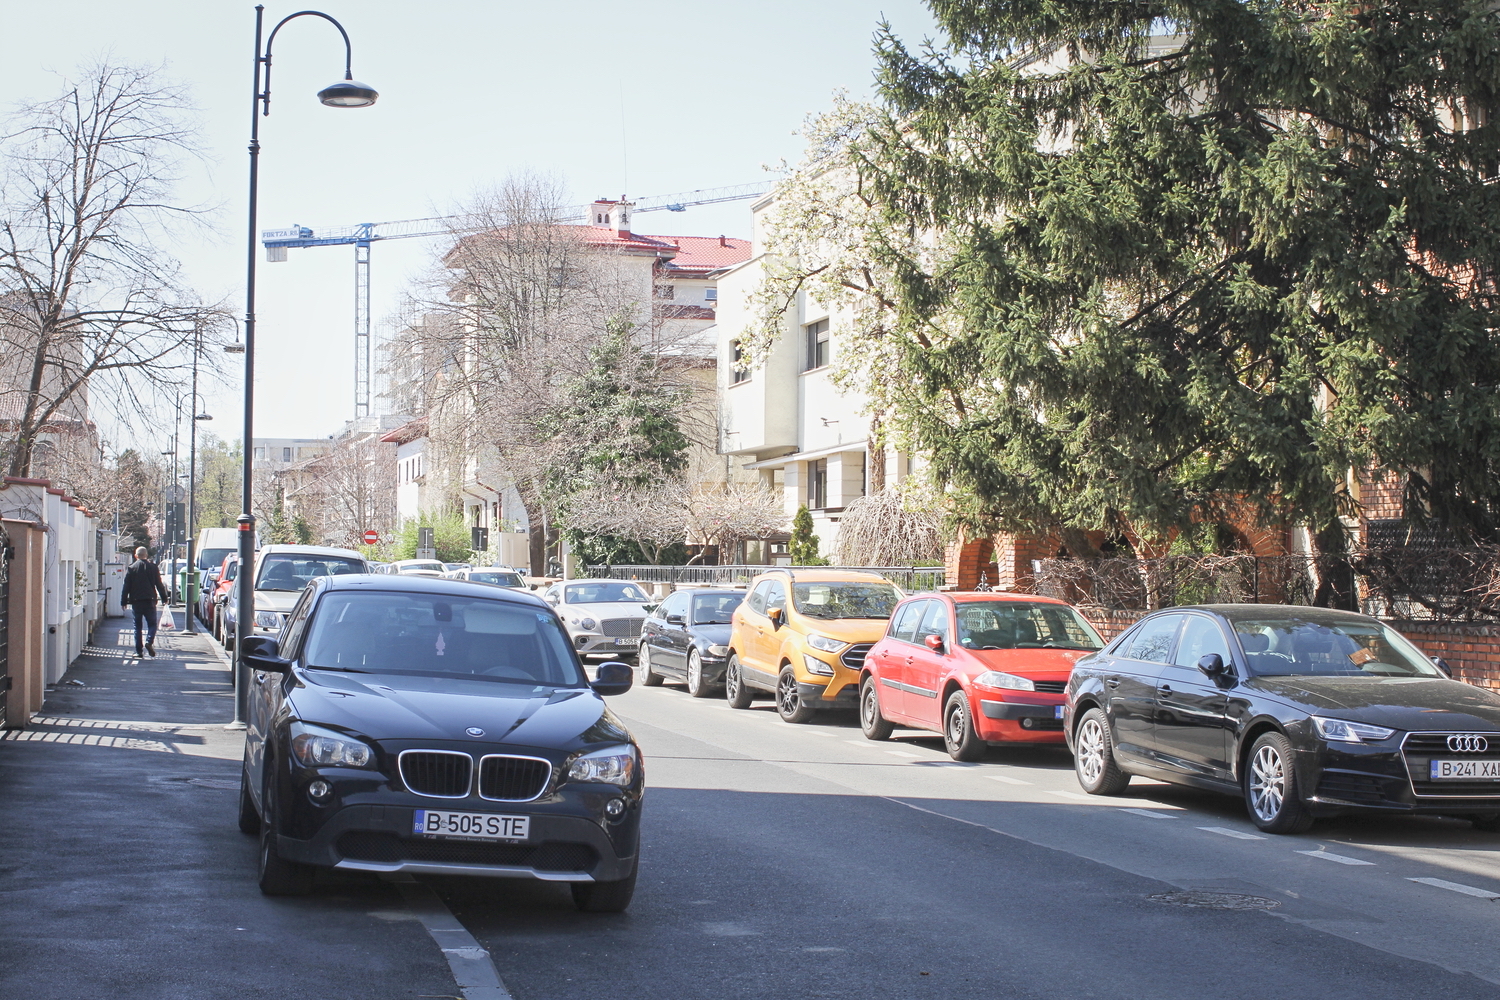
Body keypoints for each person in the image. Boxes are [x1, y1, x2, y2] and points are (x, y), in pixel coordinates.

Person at [123, 546, 170, 657]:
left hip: (136, 601)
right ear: (146, 555)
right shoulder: (153, 568)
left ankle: (139, 651)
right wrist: (164, 598)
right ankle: (149, 641)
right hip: (150, 600)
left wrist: (123, 601)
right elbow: (159, 584)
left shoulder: (132, 568)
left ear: (136, 556)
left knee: (137, 626)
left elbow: (126, 586)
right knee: (152, 624)